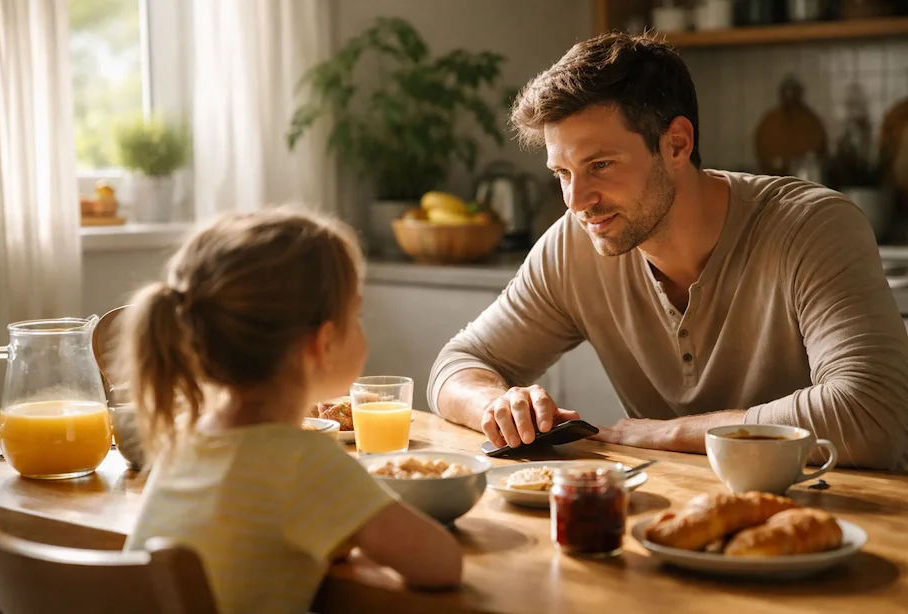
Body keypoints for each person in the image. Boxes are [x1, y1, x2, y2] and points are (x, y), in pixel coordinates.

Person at [427, 32, 908, 470]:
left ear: (676, 143)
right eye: (563, 174)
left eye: (600, 165)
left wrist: (668, 433)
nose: (576, 201)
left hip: (838, 517)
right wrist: (497, 404)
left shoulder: (811, 227)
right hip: (666, 515)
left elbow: (872, 413)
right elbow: (457, 365)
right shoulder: (573, 246)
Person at [120, 207, 462, 613]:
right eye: (357, 313)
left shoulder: (181, 439)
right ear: (323, 343)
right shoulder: (304, 462)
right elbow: (441, 565)